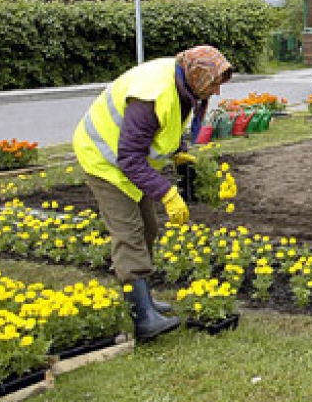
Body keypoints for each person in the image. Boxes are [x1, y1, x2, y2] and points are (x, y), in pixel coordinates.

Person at [73, 45, 233, 341]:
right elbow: (129, 157)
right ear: (197, 75)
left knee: (148, 228)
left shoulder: (183, 85)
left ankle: (142, 300)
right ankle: (143, 319)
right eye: (213, 84)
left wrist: (178, 152)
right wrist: (167, 193)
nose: (216, 92)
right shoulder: (151, 94)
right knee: (129, 232)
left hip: (129, 163)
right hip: (103, 161)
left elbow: (166, 127)